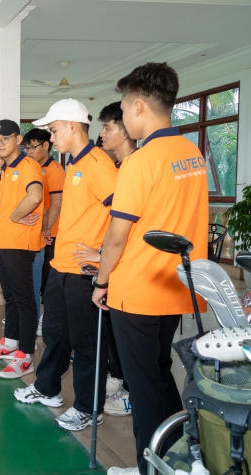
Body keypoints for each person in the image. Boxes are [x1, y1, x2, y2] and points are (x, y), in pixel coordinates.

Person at [93, 63, 208, 475]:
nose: (122, 119)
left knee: (143, 390)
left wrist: (100, 280)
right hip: (175, 287)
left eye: (123, 110)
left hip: (136, 291)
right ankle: (179, 458)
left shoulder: (141, 163)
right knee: (161, 376)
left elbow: (117, 237)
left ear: (138, 106)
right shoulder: (190, 153)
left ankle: (148, 467)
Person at [14, 98, 118, 433]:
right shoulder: (74, 162)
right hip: (62, 264)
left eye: (54, 130)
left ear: (73, 126)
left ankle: (89, 408)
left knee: (86, 342)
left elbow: (125, 213)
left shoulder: (99, 163)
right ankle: (47, 387)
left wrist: (102, 253)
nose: (51, 137)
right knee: (56, 333)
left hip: (84, 271)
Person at [73, 101, 138, 418]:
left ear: (127, 128)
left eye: (108, 127)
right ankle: (119, 380)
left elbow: (124, 225)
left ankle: (128, 391)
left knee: (136, 348)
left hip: (131, 268)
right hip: (117, 267)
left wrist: (102, 255)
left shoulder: (133, 166)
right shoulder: (120, 166)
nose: (102, 134)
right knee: (115, 334)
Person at [0, 119, 44, 379]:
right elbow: (5, 205)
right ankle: (10, 343)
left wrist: (16, 218)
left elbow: (35, 195)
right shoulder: (6, 170)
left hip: (20, 243)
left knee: (24, 300)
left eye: (4, 139)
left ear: (18, 139)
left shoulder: (28, 165)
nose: (0, 145)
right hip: (5, 241)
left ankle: (25, 355)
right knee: (10, 297)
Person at [22, 128, 64, 334]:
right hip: (34, 232)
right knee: (32, 279)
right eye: (27, 147)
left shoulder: (54, 169)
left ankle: (45, 320)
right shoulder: (30, 168)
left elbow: (57, 203)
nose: (29, 151)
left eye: (33, 147)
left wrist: (46, 228)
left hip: (50, 233)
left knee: (47, 281)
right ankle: (33, 316)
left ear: (46, 146)